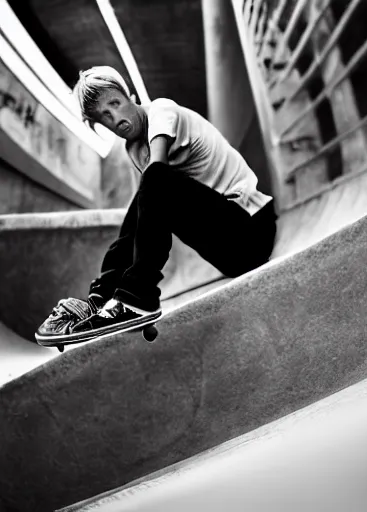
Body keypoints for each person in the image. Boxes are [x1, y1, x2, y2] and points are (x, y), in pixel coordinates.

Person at [35, 66, 277, 343]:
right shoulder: (134, 150)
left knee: (154, 179)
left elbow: (157, 173)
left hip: (252, 231)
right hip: (227, 255)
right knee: (143, 197)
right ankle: (102, 297)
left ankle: (138, 295)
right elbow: (148, 214)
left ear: (131, 96)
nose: (116, 120)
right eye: (104, 117)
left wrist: (138, 294)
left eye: (115, 104)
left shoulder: (161, 110)